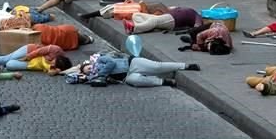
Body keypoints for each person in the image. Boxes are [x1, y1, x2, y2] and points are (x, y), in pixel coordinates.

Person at [69, 54, 200, 88]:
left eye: (87, 68)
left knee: (157, 67)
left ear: (88, 64)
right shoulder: (95, 76)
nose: (89, 70)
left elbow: (111, 63)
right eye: (87, 71)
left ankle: (185, 66)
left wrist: (101, 74)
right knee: (135, 81)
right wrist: (87, 79)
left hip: (132, 63)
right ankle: (164, 82)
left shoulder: (100, 60)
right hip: (127, 76)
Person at [0, 44, 73, 75]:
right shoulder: (56, 49)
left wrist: (58, 71)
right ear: (57, 58)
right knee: (8, 58)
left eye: (53, 65)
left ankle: (2, 66)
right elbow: (38, 52)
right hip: (30, 50)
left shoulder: (56, 66)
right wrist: (26, 57)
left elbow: (52, 72)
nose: (52, 63)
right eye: (53, 61)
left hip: (31, 63)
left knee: (10, 65)